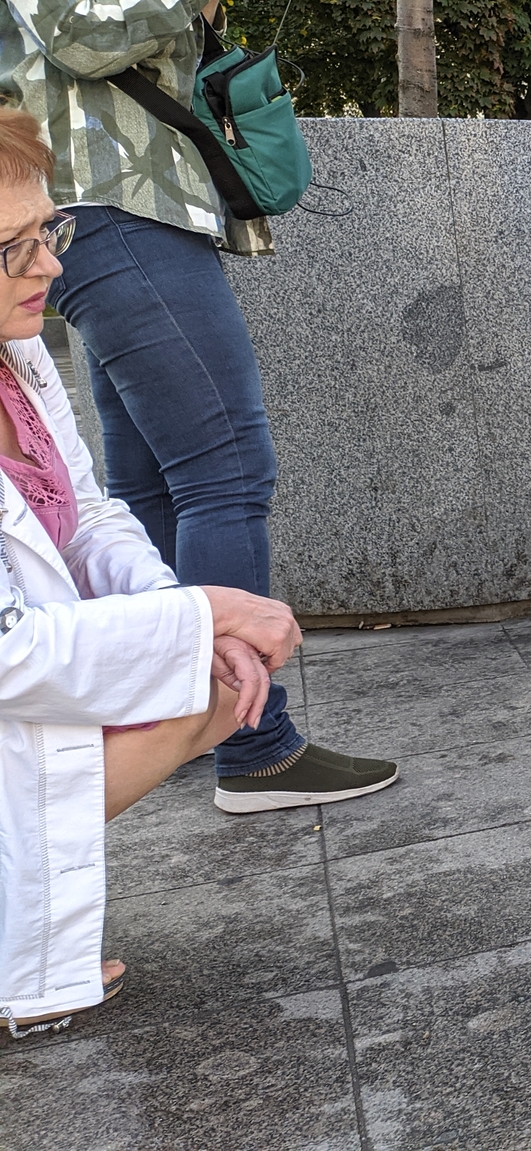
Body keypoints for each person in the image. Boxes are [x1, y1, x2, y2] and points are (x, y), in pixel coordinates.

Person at [7, 0, 396, 807]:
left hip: (97, 206)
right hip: (109, 203)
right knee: (226, 468)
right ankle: (253, 742)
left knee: (142, 484)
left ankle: (174, 716)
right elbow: (76, 34)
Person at [0, 106, 307, 1037]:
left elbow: (89, 512)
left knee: (207, 691)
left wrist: (185, 619)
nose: (51, 265)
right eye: (13, 248)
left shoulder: (20, 362)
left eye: (50, 231)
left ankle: (20, 924)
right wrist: (204, 612)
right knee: (187, 683)